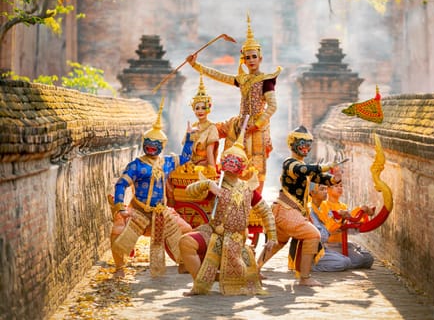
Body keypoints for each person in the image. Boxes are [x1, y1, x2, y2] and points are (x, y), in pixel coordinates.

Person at [186, 14, 282, 194]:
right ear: (243, 60)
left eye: (254, 56)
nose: (251, 60)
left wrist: (258, 123)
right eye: (248, 57)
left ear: (260, 58)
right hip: (239, 125)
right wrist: (196, 65)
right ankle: (224, 192)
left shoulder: (266, 80)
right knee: (225, 153)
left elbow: (273, 106)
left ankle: (254, 203)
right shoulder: (243, 79)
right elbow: (219, 75)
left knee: (255, 168)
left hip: (256, 130)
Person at [178, 124, 277, 296]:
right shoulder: (215, 184)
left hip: (236, 237)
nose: (231, 163)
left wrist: (272, 236)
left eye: (236, 161)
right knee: (186, 243)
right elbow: (189, 192)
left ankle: (214, 276)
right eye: (228, 159)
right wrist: (207, 184)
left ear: (242, 167)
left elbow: (266, 212)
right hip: (214, 232)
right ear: (223, 162)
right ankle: (199, 285)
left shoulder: (248, 189)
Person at [109, 99, 194, 278]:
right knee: (117, 232)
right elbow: (121, 184)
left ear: (162, 146)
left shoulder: (167, 162)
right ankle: (119, 268)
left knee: (187, 232)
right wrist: (120, 208)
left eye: (155, 143)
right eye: (148, 142)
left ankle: (184, 263)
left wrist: (189, 137)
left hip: (162, 213)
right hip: (138, 212)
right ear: (143, 142)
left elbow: (186, 157)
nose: (151, 146)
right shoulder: (136, 165)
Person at [256, 125, 342, 286]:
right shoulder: (290, 163)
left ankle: (254, 270)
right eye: (302, 142)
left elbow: (322, 178)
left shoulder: (302, 166)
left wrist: (335, 177)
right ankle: (305, 277)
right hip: (287, 211)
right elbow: (304, 169)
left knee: (278, 243)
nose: (306, 147)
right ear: (292, 143)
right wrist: (327, 165)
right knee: (313, 235)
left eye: (309, 143)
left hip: (285, 211)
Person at [309, 182, 374, 272]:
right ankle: (308, 265)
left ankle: (341, 260)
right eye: (335, 186)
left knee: (368, 259)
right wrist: (337, 219)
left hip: (339, 242)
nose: (325, 192)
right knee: (350, 261)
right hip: (324, 245)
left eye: (341, 186)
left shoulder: (342, 206)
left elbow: (349, 227)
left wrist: (361, 212)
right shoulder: (317, 208)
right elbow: (324, 234)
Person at [187, 72, 219, 169]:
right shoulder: (193, 127)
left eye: (203, 108)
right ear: (193, 109)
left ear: (208, 109)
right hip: (190, 164)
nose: (200, 111)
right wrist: (188, 135)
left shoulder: (211, 128)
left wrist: (212, 170)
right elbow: (187, 151)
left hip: (204, 165)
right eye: (197, 108)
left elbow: (210, 151)